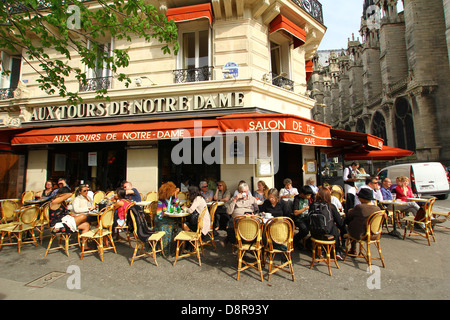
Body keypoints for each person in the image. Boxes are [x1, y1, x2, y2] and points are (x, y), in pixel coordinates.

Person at [310, 188, 346, 259]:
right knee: (335, 226)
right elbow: (339, 222)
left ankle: (321, 250)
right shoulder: (331, 206)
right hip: (328, 233)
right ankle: (337, 251)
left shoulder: (312, 205)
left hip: (314, 233)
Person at [345, 188, 381, 254]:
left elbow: (349, 217)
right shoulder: (377, 209)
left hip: (361, 234)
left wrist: (350, 211)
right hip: (374, 234)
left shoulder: (360, 207)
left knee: (349, 226)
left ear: (362, 198)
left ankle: (353, 249)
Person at [154, 181, 180, 256]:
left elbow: (177, 205)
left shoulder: (172, 199)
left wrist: (175, 195)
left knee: (172, 226)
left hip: (170, 219)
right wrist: (165, 213)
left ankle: (169, 248)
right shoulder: (161, 201)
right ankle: (164, 250)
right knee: (167, 228)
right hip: (161, 220)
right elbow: (159, 213)